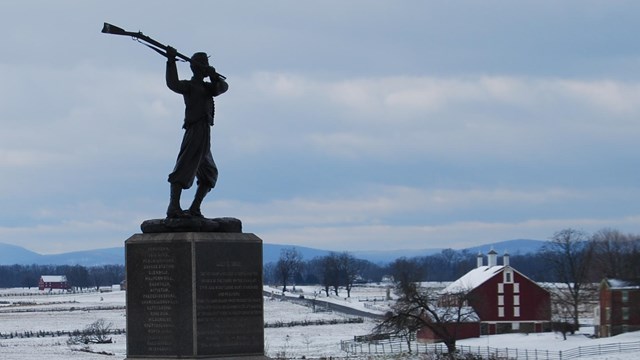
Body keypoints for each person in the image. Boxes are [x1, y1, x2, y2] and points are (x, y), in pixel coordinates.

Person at [164, 46, 229, 218]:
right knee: (184, 166)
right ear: (198, 67)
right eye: (205, 63)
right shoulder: (190, 86)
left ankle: (195, 208)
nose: (208, 66)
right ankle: (174, 207)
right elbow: (173, 84)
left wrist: (214, 75)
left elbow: (223, 87)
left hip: (205, 133)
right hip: (195, 129)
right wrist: (171, 61)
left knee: (209, 173)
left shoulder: (209, 87)